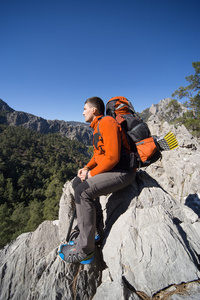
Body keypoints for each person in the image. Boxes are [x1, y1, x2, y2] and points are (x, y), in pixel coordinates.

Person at [59, 96, 136, 264]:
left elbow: (113, 157)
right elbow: (98, 155)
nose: (82, 112)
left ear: (94, 110)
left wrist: (91, 175)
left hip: (123, 172)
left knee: (83, 191)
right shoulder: (97, 126)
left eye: (85, 108)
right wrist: (86, 168)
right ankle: (94, 231)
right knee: (77, 183)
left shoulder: (107, 122)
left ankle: (85, 250)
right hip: (114, 170)